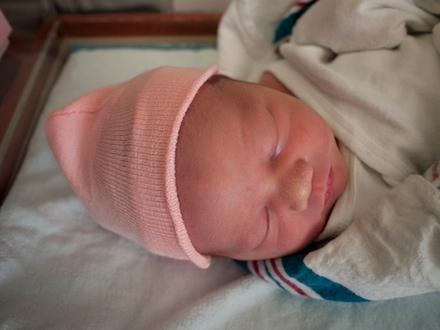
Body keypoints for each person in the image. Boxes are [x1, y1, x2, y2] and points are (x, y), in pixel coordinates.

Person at [46, 0, 440, 302]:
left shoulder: (315, 49)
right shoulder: (346, 249)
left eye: (275, 144)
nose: (300, 190)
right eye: (266, 223)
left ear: (249, 85)